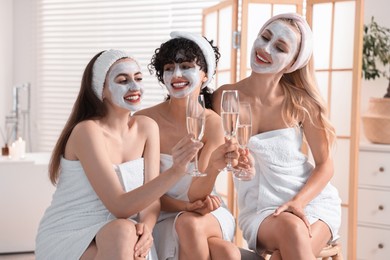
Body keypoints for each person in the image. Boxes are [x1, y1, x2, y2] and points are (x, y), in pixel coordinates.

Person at [35, 49, 206, 260]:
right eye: (123, 80)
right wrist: (176, 170)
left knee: (127, 232)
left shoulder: (146, 128)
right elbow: (119, 206)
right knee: (124, 231)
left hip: (119, 231)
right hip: (72, 231)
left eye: (138, 78)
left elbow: (151, 200)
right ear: (101, 90)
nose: (135, 87)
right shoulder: (87, 131)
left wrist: (147, 229)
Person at [212, 13, 341, 260]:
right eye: (265, 37)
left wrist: (298, 203)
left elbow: (325, 165)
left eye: (279, 47)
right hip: (261, 211)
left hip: (311, 204)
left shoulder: (301, 102)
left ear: (292, 63)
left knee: (290, 238)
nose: (265, 48)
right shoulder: (224, 98)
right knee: (290, 230)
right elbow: (212, 157)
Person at [135, 31, 243, 260]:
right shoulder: (143, 120)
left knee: (190, 225)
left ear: (205, 75)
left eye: (186, 66)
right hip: (159, 213)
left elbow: (198, 193)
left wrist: (214, 167)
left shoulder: (212, 123)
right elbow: (141, 190)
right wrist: (183, 206)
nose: (176, 74)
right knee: (226, 252)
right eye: (168, 68)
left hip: (206, 211)